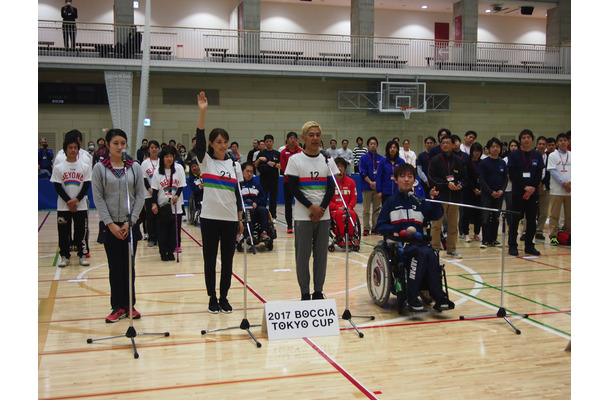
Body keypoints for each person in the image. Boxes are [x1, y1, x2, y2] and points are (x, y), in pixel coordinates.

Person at [375, 163, 454, 312]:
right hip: (400, 246)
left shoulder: (419, 201)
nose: (406, 180)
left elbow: (435, 215)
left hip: (418, 243)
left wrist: (434, 201)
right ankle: (411, 296)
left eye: (410, 177)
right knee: (422, 253)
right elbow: (380, 225)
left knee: (431, 253)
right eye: (403, 177)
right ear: (396, 179)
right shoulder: (390, 202)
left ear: (414, 180)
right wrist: (393, 231)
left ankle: (438, 296)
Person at [193, 91, 244, 314]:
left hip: (230, 220)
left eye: (225, 142)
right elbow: (200, 140)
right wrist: (202, 112)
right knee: (210, 260)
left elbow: (238, 195)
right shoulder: (205, 162)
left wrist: (241, 219)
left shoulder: (235, 166)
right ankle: (212, 297)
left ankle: (224, 296)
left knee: (228, 261)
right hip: (210, 219)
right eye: (219, 142)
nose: (223, 145)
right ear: (212, 144)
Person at [91, 129, 147, 323]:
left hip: (129, 224)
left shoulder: (134, 167)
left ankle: (130, 305)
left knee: (129, 266)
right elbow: (98, 198)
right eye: (115, 143)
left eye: (123, 143)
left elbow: (140, 195)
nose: (120, 146)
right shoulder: (99, 168)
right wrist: (110, 224)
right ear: (107, 145)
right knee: (115, 267)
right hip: (110, 226)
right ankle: (117, 306)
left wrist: (130, 221)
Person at [285, 121, 339, 301]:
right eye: (311, 135)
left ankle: (318, 291)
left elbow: (331, 188)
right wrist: (311, 207)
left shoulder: (327, 159)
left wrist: (321, 209)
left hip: (323, 217)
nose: (315, 138)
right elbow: (293, 189)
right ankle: (305, 293)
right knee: (303, 256)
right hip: (303, 216)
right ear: (303, 138)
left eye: (317, 135)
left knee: (321, 257)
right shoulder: (295, 160)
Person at [51, 134, 91, 267]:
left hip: (81, 205)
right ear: (65, 150)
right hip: (63, 206)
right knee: (63, 232)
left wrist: (77, 200)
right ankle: (64, 256)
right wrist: (69, 201)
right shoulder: (59, 167)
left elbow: (86, 185)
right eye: (70, 147)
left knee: (81, 232)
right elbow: (57, 186)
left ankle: (82, 255)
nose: (73, 150)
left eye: (75, 147)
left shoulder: (85, 166)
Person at [428, 134, 468, 258]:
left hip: (455, 198)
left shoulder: (459, 161)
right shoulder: (435, 160)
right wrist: (446, 184)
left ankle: (451, 249)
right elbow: (432, 178)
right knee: (436, 225)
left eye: (447, 143)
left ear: (453, 144)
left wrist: (459, 185)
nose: (445, 145)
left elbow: (464, 178)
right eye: (443, 143)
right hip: (440, 197)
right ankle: (434, 248)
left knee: (452, 226)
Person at [507, 129, 544, 256]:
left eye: (529, 137)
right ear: (520, 140)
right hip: (518, 192)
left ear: (532, 139)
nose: (526, 140)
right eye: (524, 138)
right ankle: (512, 245)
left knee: (531, 220)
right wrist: (524, 187)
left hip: (533, 194)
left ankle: (529, 245)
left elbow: (539, 173)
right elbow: (512, 174)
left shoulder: (537, 155)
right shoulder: (515, 155)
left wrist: (532, 188)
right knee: (515, 220)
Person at [151, 147, 186, 261]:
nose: (169, 159)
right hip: (162, 206)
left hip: (175, 205)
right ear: (162, 158)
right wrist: (154, 204)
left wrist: (177, 195)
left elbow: (181, 185)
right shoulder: (157, 172)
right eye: (167, 156)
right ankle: (163, 252)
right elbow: (155, 191)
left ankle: (171, 251)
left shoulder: (179, 169)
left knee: (173, 231)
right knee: (162, 231)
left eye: (171, 156)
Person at [478, 138, 508, 248]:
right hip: (487, 194)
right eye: (493, 147)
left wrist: (502, 190)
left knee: (496, 217)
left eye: (497, 147)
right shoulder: (484, 163)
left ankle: (493, 239)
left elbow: (505, 179)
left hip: (499, 195)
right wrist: (490, 192)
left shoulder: (502, 163)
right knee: (486, 217)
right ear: (488, 149)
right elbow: (481, 179)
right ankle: (485, 240)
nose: (495, 149)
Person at [547, 132, 571, 246]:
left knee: (569, 215)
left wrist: (570, 183)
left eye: (565, 140)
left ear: (568, 142)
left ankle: (567, 235)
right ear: (557, 143)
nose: (563, 142)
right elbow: (553, 171)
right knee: (554, 214)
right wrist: (564, 183)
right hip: (557, 189)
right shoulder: (553, 155)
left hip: (570, 190)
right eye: (560, 140)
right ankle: (553, 236)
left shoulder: (572, 154)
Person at [329, 157, 358, 247]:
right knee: (339, 214)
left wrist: (349, 207)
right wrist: (337, 207)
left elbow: (354, 197)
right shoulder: (330, 183)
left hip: (347, 208)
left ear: (345, 168)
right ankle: (340, 236)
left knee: (352, 214)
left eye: (342, 166)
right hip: (335, 209)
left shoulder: (351, 182)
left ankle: (350, 237)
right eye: (337, 166)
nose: (340, 168)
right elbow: (327, 200)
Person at [359, 136, 384, 236]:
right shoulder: (364, 158)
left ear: (377, 145)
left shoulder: (381, 159)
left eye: (374, 143)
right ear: (368, 146)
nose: (373, 145)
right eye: (371, 144)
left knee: (377, 209)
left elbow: (382, 173)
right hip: (367, 186)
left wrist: (377, 183)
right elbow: (362, 171)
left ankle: (375, 227)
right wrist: (370, 182)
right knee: (366, 209)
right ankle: (366, 227)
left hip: (377, 188)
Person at [240, 162, 271, 240]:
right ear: (242, 172)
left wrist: (256, 203)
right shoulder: (238, 185)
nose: (249, 174)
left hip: (256, 207)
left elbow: (263, 197)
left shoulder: (256, 185)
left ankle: (264, 233)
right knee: (249, 211)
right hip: (244, 209)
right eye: (247, 171)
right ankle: (250, 234)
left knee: (263, 210)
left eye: (251, 171)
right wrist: (246, 203)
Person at [279, 131, 303, 234]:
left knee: (300, 203)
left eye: (294, 138)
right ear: (287, 140)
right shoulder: (283, 152)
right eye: (290, 138)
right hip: (287, 182)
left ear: (297, 140)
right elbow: (284, 168)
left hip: (299, 182)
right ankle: (289, 225)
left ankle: (300, 224)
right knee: (288, 204)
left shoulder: (301, 152)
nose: (292, 140)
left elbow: (302, 165)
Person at [254, 134, 281, 219]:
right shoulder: (261, 153)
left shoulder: (277, 153)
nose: (268, 143)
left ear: (273, 142)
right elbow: (255, 165)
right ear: (264, 143)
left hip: (274, 179)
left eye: (270, 141)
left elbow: (282, 166)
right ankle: (263, 215)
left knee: (273, 199)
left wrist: (275, 164)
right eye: (267, 142)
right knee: (263, 198)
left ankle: (273, 216)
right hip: (264, 179)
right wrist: (259, 159)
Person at [460, 142, 483, 242]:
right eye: (475, 151)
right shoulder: (466, 162)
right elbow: (466, 177)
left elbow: (484, 177)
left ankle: (477, 233)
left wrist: (481, 189)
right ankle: (465, 233)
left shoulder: (482, 163)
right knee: (466, 213)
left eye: (478, 151)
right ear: (471, 151)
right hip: (468, 191)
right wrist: (473, 189)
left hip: (480, 192)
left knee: (478, 214)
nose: (477, 153)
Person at [141, 140, 160, 247]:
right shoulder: (145, 163)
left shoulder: (162, 161)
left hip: (159, 194)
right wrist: (150, 189)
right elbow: (144, 178)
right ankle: (151, 238)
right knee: (150, 217)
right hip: (148, 194)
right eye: (152, 147)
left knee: (159, 216)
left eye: (156, 147)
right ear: (148, 149)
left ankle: (158, 237)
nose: (154, 149)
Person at [376, 140, 406, 204]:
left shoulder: (401, 162)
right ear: (387, 149)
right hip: (386, 191)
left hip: (398, 191)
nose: (392, 149)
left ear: (397, 149)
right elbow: (379, 177)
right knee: (386, 211)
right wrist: (379, 191)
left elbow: (404, 177)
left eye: (394, 147)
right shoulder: (382, 162)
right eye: (390, 147)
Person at [535, 136, 550, 240]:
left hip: (546, 187)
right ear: (536, 145)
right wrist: (537, 183)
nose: (541, 146)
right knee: (530, 210)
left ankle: (539, 231)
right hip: (533, 187)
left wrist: (542, 183)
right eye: (539, 144)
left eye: (543, 144)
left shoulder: (550, 157)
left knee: (544, 211)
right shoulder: (532, 156)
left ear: (546, 146)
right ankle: (526, 231)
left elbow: (550, 172)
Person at [187, 159, 203, 224]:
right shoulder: (191, 178)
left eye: (195, 166)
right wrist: (199, 187)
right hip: (197, 197)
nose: (194, 168)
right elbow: (194, 189)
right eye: (192, 167)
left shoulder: (204, 175)